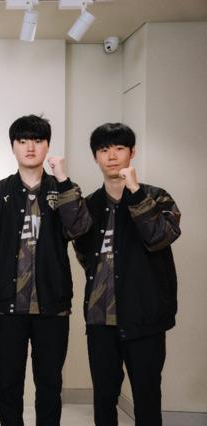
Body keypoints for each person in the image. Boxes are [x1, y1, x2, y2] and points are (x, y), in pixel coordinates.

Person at [0, 114, 91, 425]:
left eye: (37, 141)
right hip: (7, 307)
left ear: (47, 146)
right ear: (12, 146)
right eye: (23, 140)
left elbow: (79, 229)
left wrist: (63, 180)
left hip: (52, 306)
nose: (30, 147)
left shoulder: (62, 189)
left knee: (50, 385)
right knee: (9, 386)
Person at [73, 123, 180, 426]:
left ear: (132, 152)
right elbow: (84, 253)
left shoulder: (157, 198)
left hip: (145, 318)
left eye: (119, 148)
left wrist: (135, 193)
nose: (112, 156)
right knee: (104, 399)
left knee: (147, 398)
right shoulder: (89, 205)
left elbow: (159, 237)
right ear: (95, 157)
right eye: (104, 149)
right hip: (100, 320)